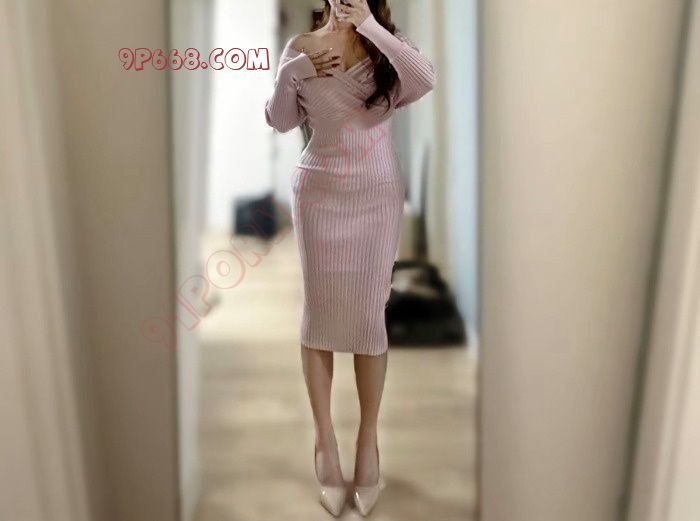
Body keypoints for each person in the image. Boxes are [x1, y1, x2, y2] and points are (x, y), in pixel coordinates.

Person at [264, 0, 435, 516]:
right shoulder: (301, 49)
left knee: (367, 317)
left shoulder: (388, 48)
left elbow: (425, 80)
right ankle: (325, 443)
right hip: (320, 194)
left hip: (376, 194)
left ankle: (367, 442)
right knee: (320, 317)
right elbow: (279, 120)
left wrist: (369, 26)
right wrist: (292, 72)